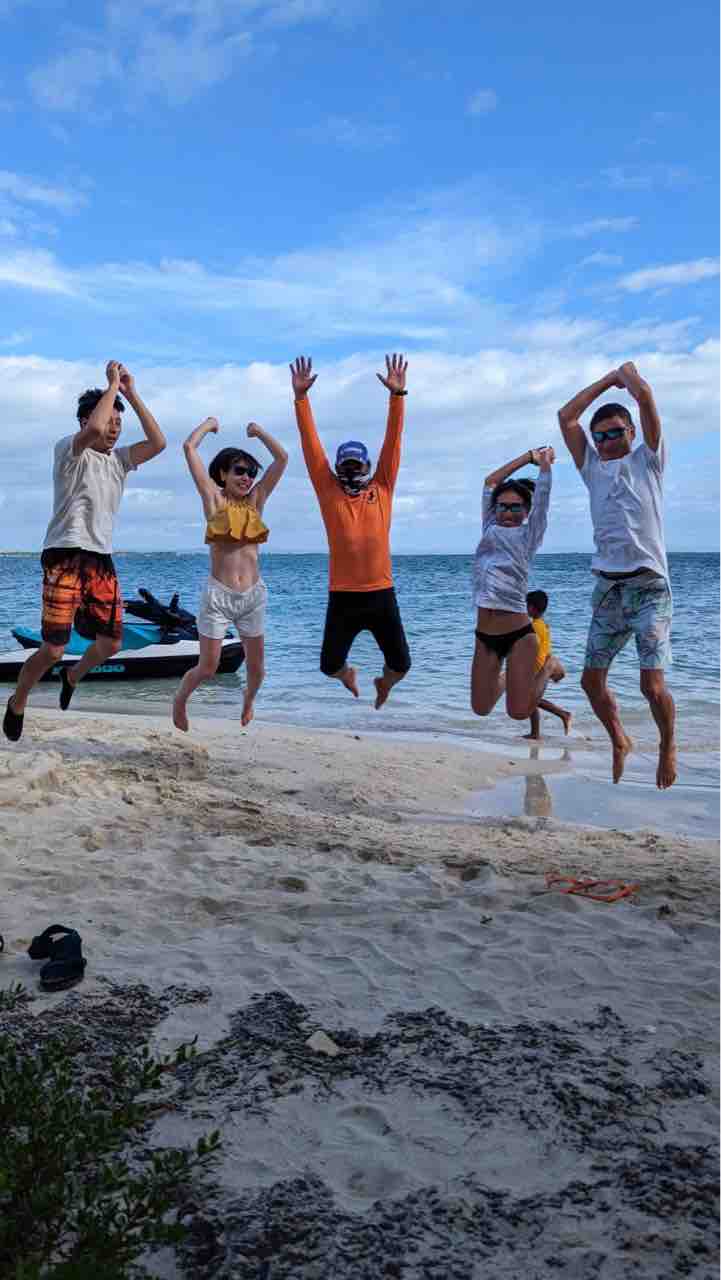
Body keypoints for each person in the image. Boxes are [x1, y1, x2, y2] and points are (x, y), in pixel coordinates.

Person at [3, 361, 166, 743]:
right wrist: (111, 385)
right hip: (64, 554)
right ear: (85, 420)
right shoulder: (70, 449)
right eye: (111, 421)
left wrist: (130, 393)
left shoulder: (119, 461)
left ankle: (73, 676)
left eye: (119, 424)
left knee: (111, 643)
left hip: (100, 558)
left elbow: (158, 443)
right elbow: (93, 429)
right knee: (53, 650)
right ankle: (18, 700)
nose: (114, 429)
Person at [557, 361, 676, 789]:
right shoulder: (592, 468)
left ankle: (667, 746)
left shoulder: (649, 460)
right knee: (591, 682)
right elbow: (566, 417)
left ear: (631, 432)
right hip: (608, 589)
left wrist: (629, 379)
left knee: (652, 686)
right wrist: (609, 379)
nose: (607, 442)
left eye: (615, 434)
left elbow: (645, 398)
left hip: (649, 588)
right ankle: (619, 739)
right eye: (600, 437)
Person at [290, 353, 411, 709]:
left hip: (381, 593)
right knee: (329, 665)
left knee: (401, 664)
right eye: (345, 466)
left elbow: (394, 441)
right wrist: (301, 398)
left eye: (357, 466)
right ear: (337, 467)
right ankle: (348, 674)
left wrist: (397, 396)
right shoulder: (329, 491)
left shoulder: (382, 487)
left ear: (368, 466)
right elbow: (311, 447)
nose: (351, 471)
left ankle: (384, 683)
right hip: (343, 595)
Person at [172, 416, 288, 732]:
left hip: (252, 597)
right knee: (208, 667)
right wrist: (208, 425)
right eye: (239, 471)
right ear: (223, 474)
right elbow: (189, 447)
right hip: (219, 597)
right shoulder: (214, 499)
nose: (247, 477)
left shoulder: (256, 501)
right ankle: (180, 699)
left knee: (258, 670)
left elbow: (282, 459)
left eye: (250, 473)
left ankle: (248, 700)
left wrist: (260, 432)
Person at [471, 445, 561, 721]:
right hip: (485, 635)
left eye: (515, 507)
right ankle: (511, 677)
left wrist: (545, 465)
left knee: (519, 712)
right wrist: (528, 457)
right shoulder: (489, 527)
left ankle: (549, 666)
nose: (508, 513)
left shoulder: (529, 535)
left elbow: (543, 497)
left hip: (519, 635)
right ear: (495, 508)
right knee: (481, 707)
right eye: (503, 506)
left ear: (526, 510)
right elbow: (490, 482)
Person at [524, 590, 572, 739]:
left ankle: (563, 715)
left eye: (527, 605)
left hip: (536, 668)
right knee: (531, 700)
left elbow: (532, 648)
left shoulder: (535, 627)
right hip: (540, 666)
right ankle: (535, 733)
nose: (526, 608)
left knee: (531, 700)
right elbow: (545, 647)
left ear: (532, 607)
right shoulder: (543, 625)